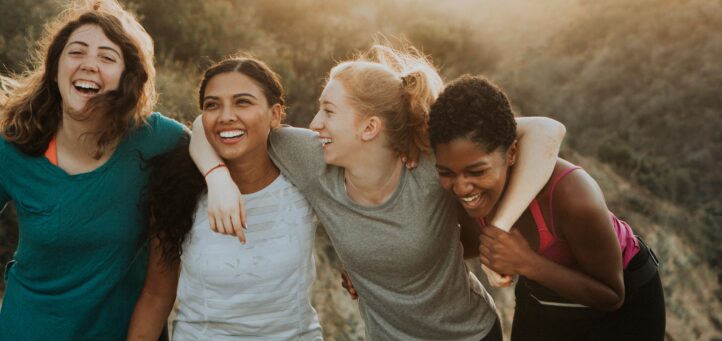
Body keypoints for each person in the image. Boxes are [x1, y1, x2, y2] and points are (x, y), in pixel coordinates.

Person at [191, 44, 565, 340]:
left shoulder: (430, 162)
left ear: (369, 127)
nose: (314, 123)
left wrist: (497, 230)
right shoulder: (310, 157)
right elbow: (206, 123)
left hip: (469, 334)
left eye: (328, 111)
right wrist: (217, 177)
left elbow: (547, 130)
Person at [0, 1, 187, 339]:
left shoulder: (158, 140)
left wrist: (219, 179)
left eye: (107, 57)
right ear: (55, 67)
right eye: (77, 52)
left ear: (127, 76)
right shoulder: (13, 144)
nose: (89, 65)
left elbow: (208, 135)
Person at [429, 76, 666, 340]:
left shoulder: (573, 196)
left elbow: (612, 295)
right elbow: (457, 246)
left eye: (477, 171)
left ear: (511, 153)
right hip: (544, 291)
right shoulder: (464, 196)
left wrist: (525, 262)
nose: (461, 188)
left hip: (623, 300)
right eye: (447, 172)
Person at [126, 56, 323, 340]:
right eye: (212, 105)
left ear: (275, 114)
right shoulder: (177, 189)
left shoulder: (303, 176)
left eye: (243, 102)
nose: (226, 116)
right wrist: (216, 176)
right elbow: (157, 296)